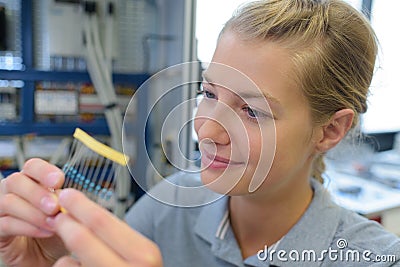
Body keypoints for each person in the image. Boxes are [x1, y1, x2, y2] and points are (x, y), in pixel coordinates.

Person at [1, 0, 399, 266]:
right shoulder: (168, 207)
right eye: (208, 93)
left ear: (330, 130)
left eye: (251, 110)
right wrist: (44, 260)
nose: (206, 129)